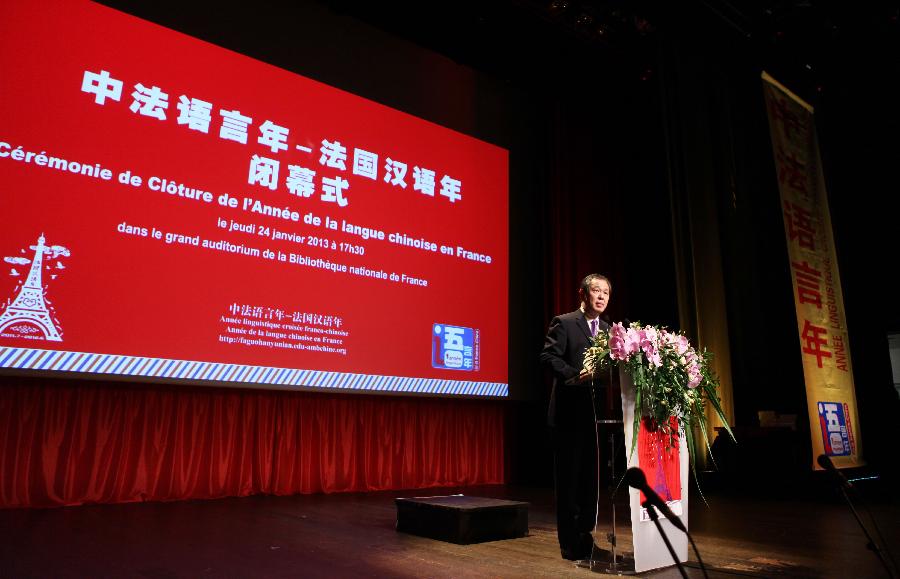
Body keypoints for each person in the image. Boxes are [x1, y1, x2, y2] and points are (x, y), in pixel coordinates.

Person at [539, 273, 611, 561]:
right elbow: (548, 357)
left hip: (594, 416)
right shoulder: (565, 322)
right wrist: (574, 375)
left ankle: (585, 536)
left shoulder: (608, 330)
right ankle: (569, 543)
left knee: (588, 482)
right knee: (569, 482)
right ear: (583, 294)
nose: (602, 297)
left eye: (606, 292)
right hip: (569, 414)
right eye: (597, 291)